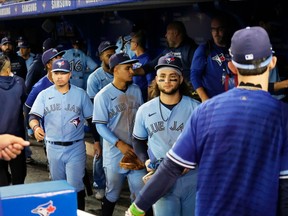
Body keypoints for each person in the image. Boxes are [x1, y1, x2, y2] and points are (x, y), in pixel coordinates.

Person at [126, 26, 288, 216]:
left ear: (232, 66)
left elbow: (170, 168)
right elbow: (284, 185)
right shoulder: (282, 116)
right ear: (272, 63)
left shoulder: (205, 111)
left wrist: (135, 210)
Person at [132, 53, 200, 216]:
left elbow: (205, 144)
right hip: (161, 177)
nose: (167, 81)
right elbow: (138, 140)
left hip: (192, 177)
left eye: (172, 77)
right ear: (156, 79)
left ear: (181, 79)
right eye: (162, 76)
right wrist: (145, 160)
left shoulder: (196, 108)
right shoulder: (144, 110)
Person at [28, 59, 99, 211]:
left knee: (76, 186)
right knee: (57, 186)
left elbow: (91, 119)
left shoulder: (80, 94)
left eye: (63, 73)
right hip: (53, 147)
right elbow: (33, 116)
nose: (59, 76)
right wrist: (35, 128)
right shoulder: (44, 95)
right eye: (56, 73)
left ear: (70, 74)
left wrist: (97, 141)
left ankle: (78, 213)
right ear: (51, 74)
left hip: (75, 147)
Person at [92, 52, 147, 216]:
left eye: (132, 67)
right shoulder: (103, 95)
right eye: (128, 68)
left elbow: (142, 119)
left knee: (141, 194)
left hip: (136, 152)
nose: (132, 71)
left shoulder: (136, 90)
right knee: (112, 193)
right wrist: (119, 143)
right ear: (116, 69)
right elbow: (100, 126)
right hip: (115, 153)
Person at [86, 40, 118, 201]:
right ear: (101, 57)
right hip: (101, 122)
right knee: (100, 155)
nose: (112, 58)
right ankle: (99, 184)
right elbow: (92, 112)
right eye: (108, 55)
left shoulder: (121, 71)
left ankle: (115, 184)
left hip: (118, 120)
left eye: (114, 54)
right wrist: (96, 138)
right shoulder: (95, 78)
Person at [190, 14, 235, 102]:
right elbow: (194, 76)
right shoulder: (204, 49)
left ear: (226, 29)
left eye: (220, 29)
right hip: (213, 101)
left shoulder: (235, 48)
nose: (216, 33)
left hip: (233, 100)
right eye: (213, 29)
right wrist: (204, 99)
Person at [0, 54, 27, 186]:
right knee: (19, 176)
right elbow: (24, 102)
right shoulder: (19, 82)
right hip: (17, 137)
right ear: (8, 69)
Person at [130, 30, 155, 102]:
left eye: (131, 42)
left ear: (135, 44)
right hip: (133, 95)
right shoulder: (133, 58)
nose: (129, 44)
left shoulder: (147, 59)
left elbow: (150, 82)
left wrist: (149, 99)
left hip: (143, 96)